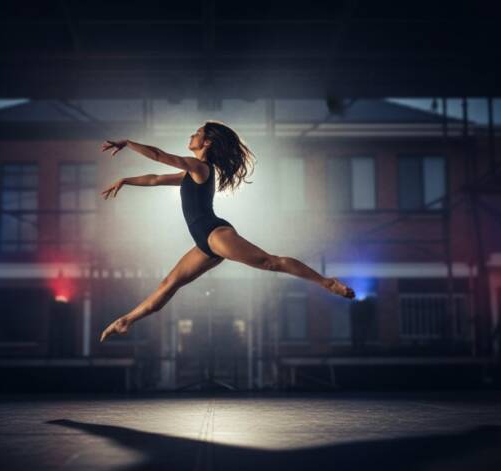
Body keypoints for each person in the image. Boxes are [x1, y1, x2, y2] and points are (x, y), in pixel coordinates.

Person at [98, 120, 355, 342]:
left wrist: (128, 142)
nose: (191, 136)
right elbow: (155, 178)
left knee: (269, 262)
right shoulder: (190, 172)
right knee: (168, 284)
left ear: (207, 143)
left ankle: (327, 282)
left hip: (214, 233)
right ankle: (126, 320)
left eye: (196, 133)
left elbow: (157, 155)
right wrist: (126, 181)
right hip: (203, 243)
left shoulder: (200, 168)